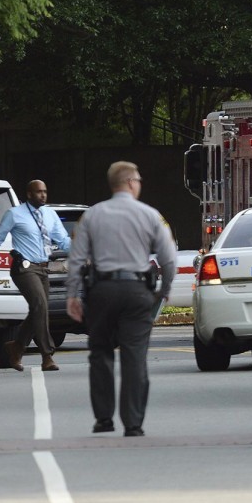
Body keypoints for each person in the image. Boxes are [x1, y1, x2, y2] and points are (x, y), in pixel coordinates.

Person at [66, 162, 176, 437]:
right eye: (138, 179)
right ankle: (133, 423)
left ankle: (103, 419)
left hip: (101, 290)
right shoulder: (150, 215)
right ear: (129, 182)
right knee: (135, 355)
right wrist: (164, 289)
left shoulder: (92, 216)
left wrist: (73, 295)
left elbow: (77, 259)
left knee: (100, 351)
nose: (139, 183)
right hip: (137, 291)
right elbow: (168, 258)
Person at [0, 179, 72, 372]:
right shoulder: (14, 214)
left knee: (38, 311)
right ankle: (47, 356)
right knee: (39, 304)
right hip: (23, 268)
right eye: (39, 192)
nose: (43, 195)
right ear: (29, 194)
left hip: (43, 268)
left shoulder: (50, 214)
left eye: (45, 192)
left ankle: (16, 348)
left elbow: (63, 240)